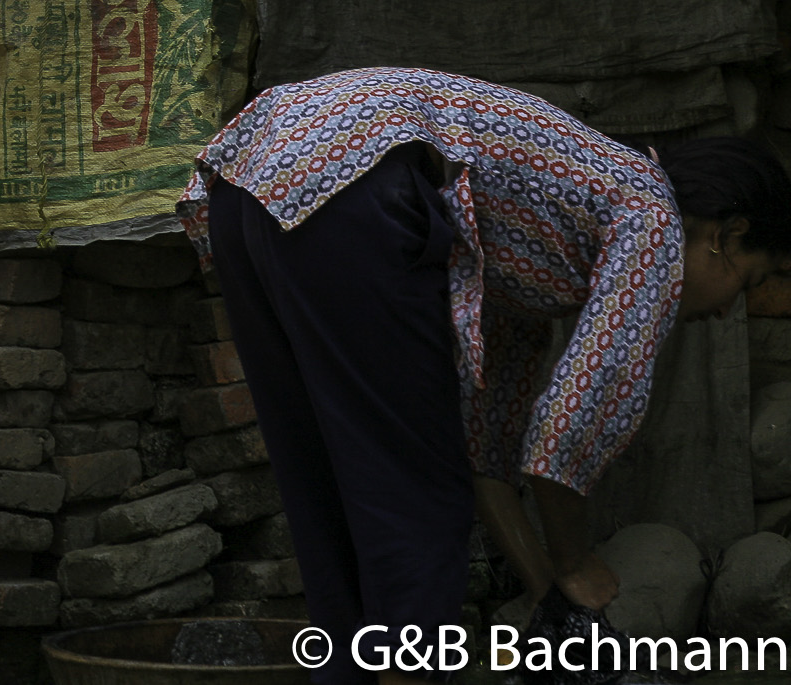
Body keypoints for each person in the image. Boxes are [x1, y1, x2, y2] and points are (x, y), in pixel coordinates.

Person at [178, 66, 791, 685]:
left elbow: (484, 459)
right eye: (750, 281)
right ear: (725, 236)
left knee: (325, 483)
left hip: (251, 176)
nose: (723, 312)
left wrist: (554, 596)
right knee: (417, 493)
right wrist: (577, 562)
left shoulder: (533, 253)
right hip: (349, 171)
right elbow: (568, 432)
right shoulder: (652, 217)